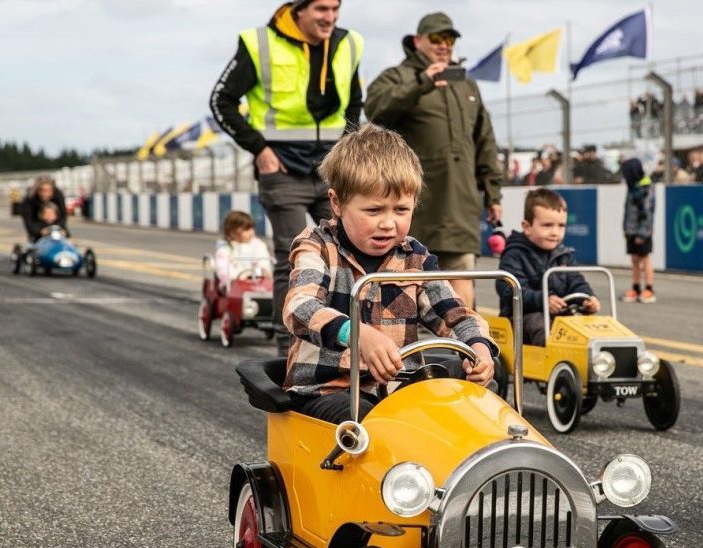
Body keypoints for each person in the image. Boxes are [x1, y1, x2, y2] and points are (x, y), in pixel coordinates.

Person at [282, 125, 497, 424]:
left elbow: (455, 313)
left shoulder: (415, 258)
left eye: (401, 210)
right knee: (370, 420)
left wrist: (478, 349)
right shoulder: (317, 246)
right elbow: (299, 308)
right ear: (337, 203)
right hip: (327, 390)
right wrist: (357, 335)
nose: (388, 223)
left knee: (478, 390)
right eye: (374, 211)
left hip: (398, 389)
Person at [210, 0, 363, 356]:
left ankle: (347, 339)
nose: (330, 17)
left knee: (350, 254)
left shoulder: (349, 43)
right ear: (298, 9)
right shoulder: (259, 43)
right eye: (321, 9)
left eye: (335, 9)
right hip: (281, 170)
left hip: (331, 168)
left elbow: (355, 103)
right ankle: (289, 347)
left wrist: (345, 151)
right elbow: (222, 100)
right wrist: (259, 150)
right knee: (293, 256)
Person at [364, 12, 502, 309]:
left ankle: (466, 351)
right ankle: (405, 351)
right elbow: (375, 109)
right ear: (417, 41)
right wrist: (423, 83)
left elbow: (485, 142)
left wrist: (493, 193)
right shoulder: (398, 76)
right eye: (436, 38)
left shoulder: (466, 84)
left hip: (460, 204)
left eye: (449, 39)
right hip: (414, 205)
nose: (444, 45)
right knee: (404, 287)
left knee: (461, 285)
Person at [496, 188, 601, 346]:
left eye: (561, 226)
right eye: (547, 225)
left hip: (559, 314)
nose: (555, 232)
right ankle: (551, 361)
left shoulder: (564, 255)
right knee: (540, 325)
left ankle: (597, 363)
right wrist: (543, 300)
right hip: (521, 318)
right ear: (527, 226)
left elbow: (576, 282)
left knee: (588, 325)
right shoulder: (515, 254)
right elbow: (509, 291)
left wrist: (587, 298)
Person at [619, 159, 656, 304]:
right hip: (631, 229)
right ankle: (635, 287)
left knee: (644, 258)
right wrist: (626, 228)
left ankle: (649, 288)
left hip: (642, 231)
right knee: (634, 259)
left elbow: (647, 213)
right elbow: (627, 210)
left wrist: (642, 233)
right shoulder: (631, 186)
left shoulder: (645, 186)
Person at [215, 210, 273, 289]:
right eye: (246, 229)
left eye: (252, 228)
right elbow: (223, 269)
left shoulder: (258, 245)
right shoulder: (224, 250)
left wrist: (262, 271)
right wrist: (241, 275)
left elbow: (264, 262)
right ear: (232, 232)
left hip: (257, 282)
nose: (251, 232)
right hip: (233, 285)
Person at [22, 176, 68, 242]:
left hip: (56, 228)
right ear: (37, 190)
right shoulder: (30, 198)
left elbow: (63, 215)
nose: (45, 194)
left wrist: (57, 229)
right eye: (42, 190)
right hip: (37, 226)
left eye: (49, 191)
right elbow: (28, 220)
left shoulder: (58, 195)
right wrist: (39, 232)